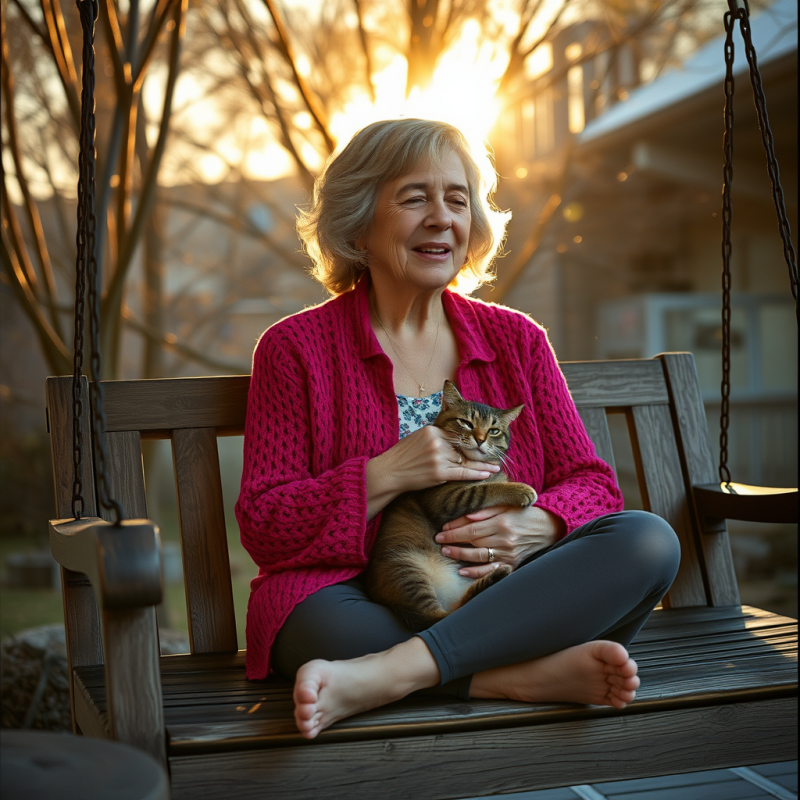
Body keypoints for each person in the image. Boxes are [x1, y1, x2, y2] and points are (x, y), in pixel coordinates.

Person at [235, 118, 681, 740]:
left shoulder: (516, 340)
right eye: (415, 197)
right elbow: (265, 522)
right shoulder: (294, 348)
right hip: (356, 597)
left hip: (503, 590)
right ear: (359, 223)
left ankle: (391, 673)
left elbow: (592, 485)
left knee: (648, 542)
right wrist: (383, 474)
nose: (442, 217)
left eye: (458, 199)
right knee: (312, 623)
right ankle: (518, 677)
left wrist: (538, 525)